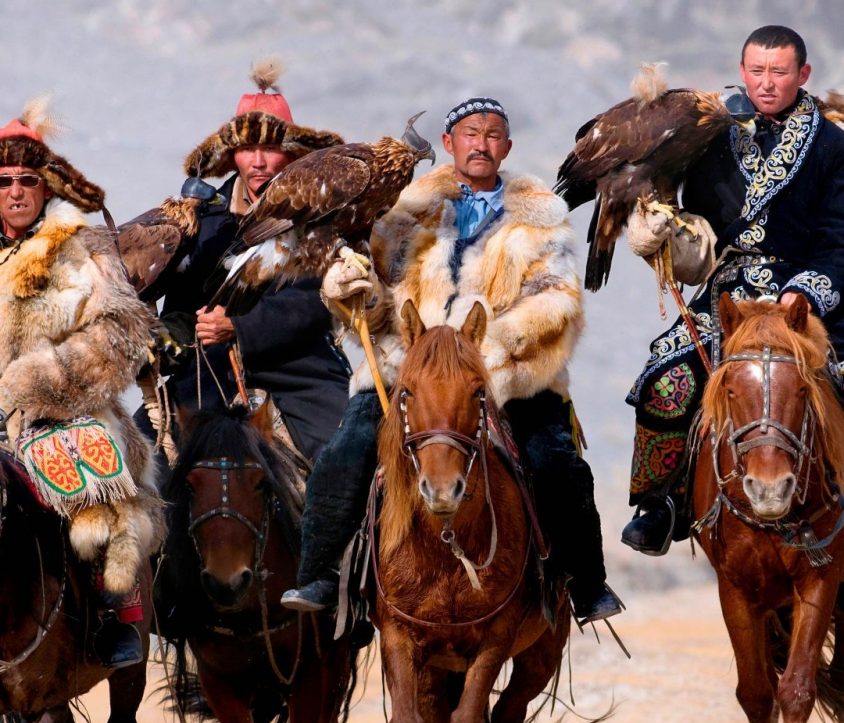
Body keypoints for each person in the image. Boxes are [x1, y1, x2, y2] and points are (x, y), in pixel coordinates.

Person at [281, 97, 623, 625]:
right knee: (346, 449)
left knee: (557, 461)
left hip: (509, 376)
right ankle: (320, 575)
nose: (481, 143)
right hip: (407, 373)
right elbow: (381, 308)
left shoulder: (540, 222)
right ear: (449, 144)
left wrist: (495, 348)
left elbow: (557, 298)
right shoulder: (402, 216)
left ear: (506, 147)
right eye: (469, 133)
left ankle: (587, 583)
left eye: (492, 135)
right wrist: (353, 294)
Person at [621, 25, 844, 555]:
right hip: (727, 301)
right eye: (758, 71)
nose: (767, 83)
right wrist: (661, 228)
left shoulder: (835, 147)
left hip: (805, 305)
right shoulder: (709, 133)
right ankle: (660, 503)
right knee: (665, 380)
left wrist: (804, 293)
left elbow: (840, 239)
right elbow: (680, 209)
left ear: (803, 75)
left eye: (780, 72)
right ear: (743, 72)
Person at [0, 99, 164, 667]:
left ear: (46, 187)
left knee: (88, 476)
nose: (16, 192)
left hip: (67, 411)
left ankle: (115, 614)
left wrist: (41, 379)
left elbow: (122, 331)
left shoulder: (85, 250)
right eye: (4, 182)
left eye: (27, 180)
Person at [128, 61, 350, 463]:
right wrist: (164, 337)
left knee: (345, 460)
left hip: (298, 368)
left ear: (292, 155)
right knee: (139, 458)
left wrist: (238, 327)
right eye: (249, 149)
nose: (260, 162)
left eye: (272, 149)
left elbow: (314, 302)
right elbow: (182, 307)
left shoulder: (321, 215)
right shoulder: (202, 220)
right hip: (207, 369)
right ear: (233, 156)